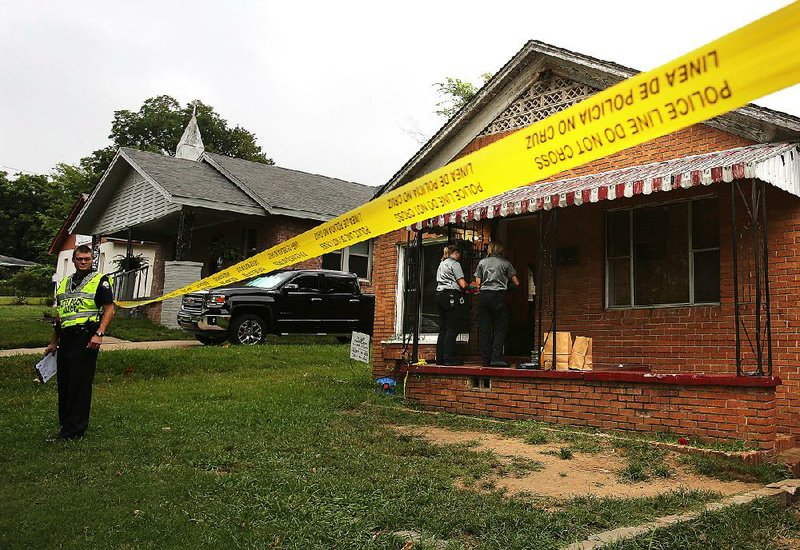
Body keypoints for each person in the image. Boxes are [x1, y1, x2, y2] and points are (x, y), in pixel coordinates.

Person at [44, 245, 115, 440]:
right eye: (80, 259)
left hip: (86, 338)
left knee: (79, 384)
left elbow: (109, 310)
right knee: (65, 383)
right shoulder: (65, 283)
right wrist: (53, 342)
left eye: (87, 258)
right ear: (74, 260)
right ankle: (65, 427)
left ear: (92, 260)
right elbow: (61, 317)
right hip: (66, 339)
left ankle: (76, 430)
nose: (83, 261)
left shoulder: (100, 281)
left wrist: (99, 334)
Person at [474, 240, 520, 367]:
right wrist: (507, 286)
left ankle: (485, 359)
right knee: (501, 327)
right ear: (500, 250)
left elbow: (478, 283)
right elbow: (516, 282)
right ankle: (496, 357)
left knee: (484, 328)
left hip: (484, 296)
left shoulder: (482, 262)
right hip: (498, 296)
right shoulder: (505, 263)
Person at [435, 244, 468, 366]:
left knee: (443, 328)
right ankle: (449, 358)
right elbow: (462, 284)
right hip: (451, 296)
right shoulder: (455, 264)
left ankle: (440, 358)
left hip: (439, 295)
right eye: (459, 254)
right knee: (452, 328)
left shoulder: (441, 263)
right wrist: (471, 286)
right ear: (456, 253)